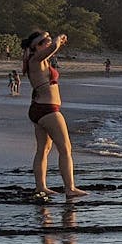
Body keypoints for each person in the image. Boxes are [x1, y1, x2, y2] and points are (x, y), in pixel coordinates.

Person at [21, 30, 87, 198]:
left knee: (43, 149)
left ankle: (41, 187)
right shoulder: (36, 59)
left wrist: (50, 39)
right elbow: (56, 45)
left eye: (49, 40)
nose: (49, 42)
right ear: (37, 47)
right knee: (65, 149)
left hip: (39, 108)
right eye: (45, 41)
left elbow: (53, 47)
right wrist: (58, 38)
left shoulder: (36, 60)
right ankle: (70, 188)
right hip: (48, 110)